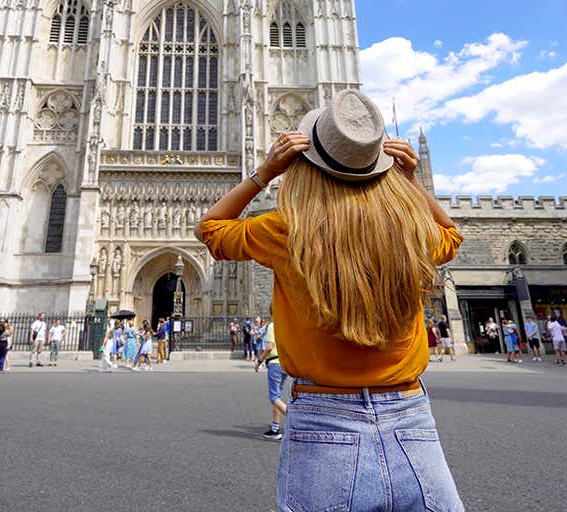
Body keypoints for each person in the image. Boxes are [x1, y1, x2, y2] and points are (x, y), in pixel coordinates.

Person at [196, 89, 464, 511]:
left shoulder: (286, 231)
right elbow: (451, 235)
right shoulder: (410, 230)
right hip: (411, 418)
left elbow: (210, 229)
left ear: (305, 165)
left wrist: (264, 172)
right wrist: (411, 182)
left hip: (323, 419)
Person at [254, 317, 288, 440]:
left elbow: (269, 347)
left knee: (274, 397)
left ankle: (296, 420)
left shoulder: (273, 325)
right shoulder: (286, 324)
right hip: (284, 363)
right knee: (277, 397)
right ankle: (275, 428)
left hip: (274, 364)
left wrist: (259, 361)